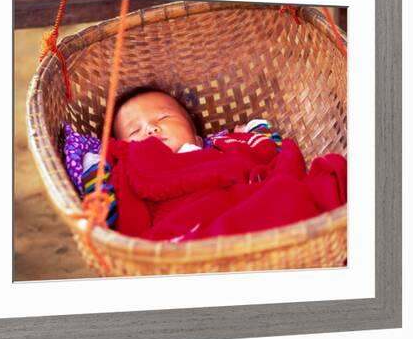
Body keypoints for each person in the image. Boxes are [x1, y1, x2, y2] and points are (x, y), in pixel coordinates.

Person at [82, 86, 347, 242]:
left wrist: (254, 130)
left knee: (309, 184)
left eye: (163, 117)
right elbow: (108, 200)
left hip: (253, 207)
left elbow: (270, 150)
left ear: (198, 137)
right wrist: (97, 169)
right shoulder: (130, 168)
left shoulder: (225, 147)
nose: (151, 128)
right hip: (189, 235)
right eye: (134, 131)